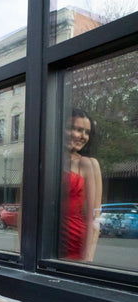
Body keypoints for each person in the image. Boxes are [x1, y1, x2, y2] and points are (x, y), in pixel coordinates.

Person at [60, 108, 102, 261]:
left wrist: (87, 261)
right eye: (75, 129)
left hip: (76, 247)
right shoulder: (43, 162)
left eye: (86, 132)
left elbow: (94, 218)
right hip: (44, 244)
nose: (82, 136)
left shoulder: (88, 164)